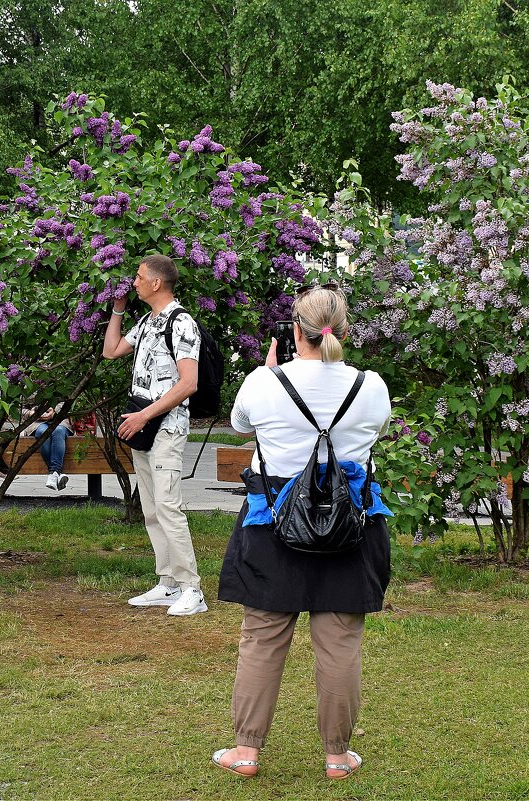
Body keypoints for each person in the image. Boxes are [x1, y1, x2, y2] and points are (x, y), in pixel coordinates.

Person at [211, 285, 392, 779]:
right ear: (344, 330)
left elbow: (241, 424)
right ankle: (337, 755)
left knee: (262, 636)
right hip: (349, 524)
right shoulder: (371, 386)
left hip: (272, 521)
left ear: (295, 331)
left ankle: (245, 750)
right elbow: (375, 429)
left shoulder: (264, 383)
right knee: (340, 640)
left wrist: (270, 372)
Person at [102, 254, 206, 616]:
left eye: (139, 276)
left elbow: (188, 383)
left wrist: (144, 416)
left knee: (168, 506)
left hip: (165, 428)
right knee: (151, 508)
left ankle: (192, 588)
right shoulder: (147, 321)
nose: (134, 282)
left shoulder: (181, 323)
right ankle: (167, 583)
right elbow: (111, 351)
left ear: (157, 283)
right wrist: (118, 310)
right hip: (144, 427)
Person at [29, 406, 73, 491]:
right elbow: (20, 409)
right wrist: (30, 413)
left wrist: (54, 411)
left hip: (61, 420)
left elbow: (67, 403)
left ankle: (53, 474)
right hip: (36, 422)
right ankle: (56, 473)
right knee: (43, 433)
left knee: (58, 431)